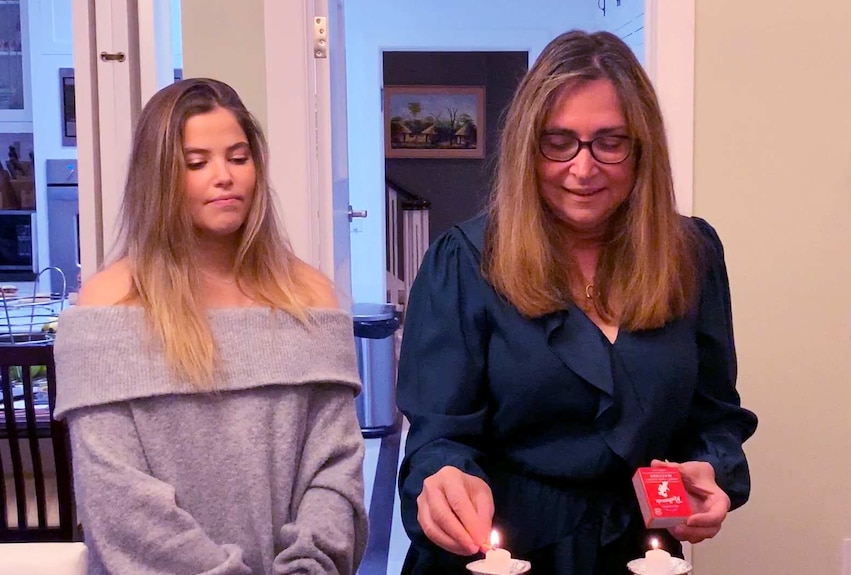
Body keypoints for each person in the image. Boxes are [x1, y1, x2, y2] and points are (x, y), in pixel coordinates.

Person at [396, 30, 758, 575]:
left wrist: (709, 471)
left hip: (638, 552)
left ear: (643, 149)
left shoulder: (692, 256)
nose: (583, 168)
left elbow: (714, 417)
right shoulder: (464, 261)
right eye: (557, 141)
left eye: (609, 142)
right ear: (526, 147)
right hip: (497, 552)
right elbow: (437, 436)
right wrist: (443, 477)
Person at [53, 78, 368, 575]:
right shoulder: (107, 307)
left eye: (238, 158)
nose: (224, 176)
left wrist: (310, 565)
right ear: (157, 178)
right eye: (196, 163)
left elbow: (335, 470)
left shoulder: (309, 297)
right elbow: (119, 503)